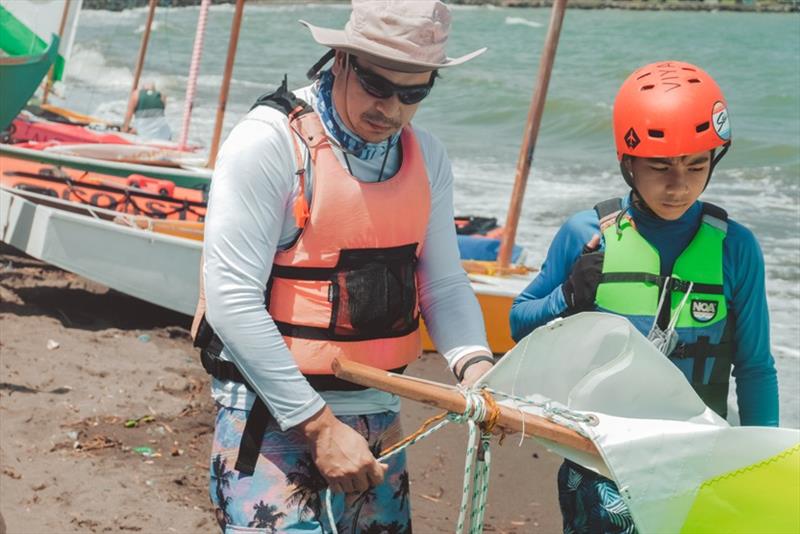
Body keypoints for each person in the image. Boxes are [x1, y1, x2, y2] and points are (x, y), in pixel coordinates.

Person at [191, 1, 495, 532]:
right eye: (378, 86)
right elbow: (231, 300)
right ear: (340, 60)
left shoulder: (430, 158)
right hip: (272, 416)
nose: (392, 109)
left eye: (414, 93)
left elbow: (442, 285)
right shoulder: (268, 143)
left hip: (378, 416)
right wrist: (318, 425)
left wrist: (478, 370)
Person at [509, 60, 779, 533]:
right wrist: (568, 296)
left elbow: (755, 367)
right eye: (660, 167)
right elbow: (518, 325)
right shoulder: (586, 235)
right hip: (601, 462)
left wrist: (766, 464)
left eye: (696, 166)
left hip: (698, 456)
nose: (680, 185)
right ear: (627, 162)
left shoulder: (736, 249)